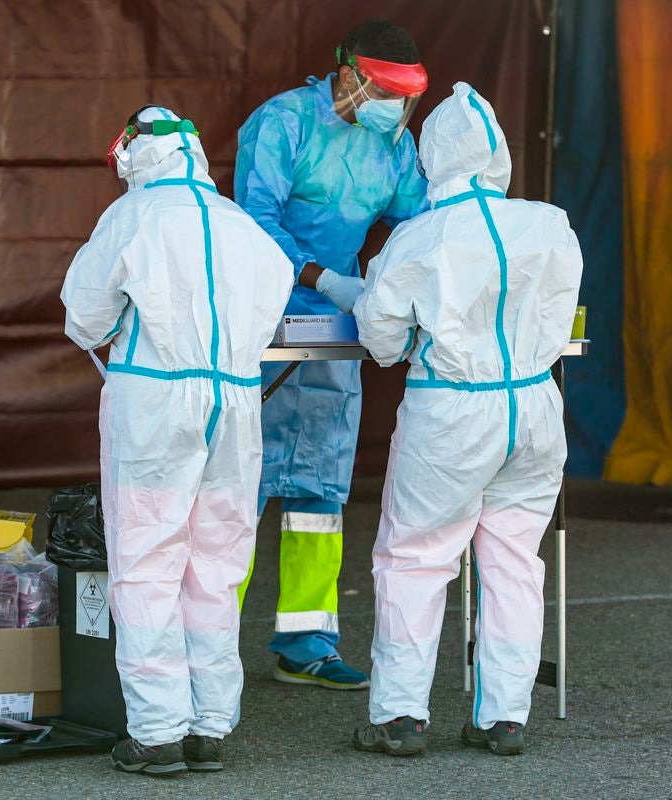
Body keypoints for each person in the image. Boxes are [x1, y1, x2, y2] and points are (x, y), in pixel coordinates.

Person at [350, 83, 583, 757]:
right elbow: (559, 315)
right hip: (536, 404)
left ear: (432, 159)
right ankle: (504, 716)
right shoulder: (549, 225)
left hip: (453, 408)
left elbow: (382, 339)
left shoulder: (419, 237)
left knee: (416, 558)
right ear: (498, 153)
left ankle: (399, 716)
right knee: (513, 559)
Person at [60, 105, 292, 775]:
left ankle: (157, 730)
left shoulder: (132, 217)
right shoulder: (241, 225)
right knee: (217, 566)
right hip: (237, 403)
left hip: (157, 401)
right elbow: (276, 301)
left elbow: (83, 317)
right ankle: (209, 725)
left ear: (133, 156)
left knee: (147, 560)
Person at [233, 18, 430, 690]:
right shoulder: (282, 124)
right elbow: (251, 217)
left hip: (338, 333)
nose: (391, 108)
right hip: (263, 320)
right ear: (346, 74)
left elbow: (421, 219)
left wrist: (393, 282)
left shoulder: (391, 146)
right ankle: (204, 642)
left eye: (403, 97)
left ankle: (306, 641)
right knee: (239, 487)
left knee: (319, 491)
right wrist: (318, 275)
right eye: (383, 91)